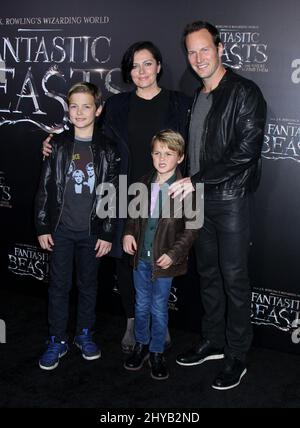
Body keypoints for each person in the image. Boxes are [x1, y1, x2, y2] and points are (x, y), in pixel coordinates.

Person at [42, 41, 191, 353]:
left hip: (162, 192)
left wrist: (188, 180)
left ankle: (157, 323)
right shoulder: (117, 105)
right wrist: (54, 140)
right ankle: (132, 320)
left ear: (159, 66)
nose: (141, 71)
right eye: (135, 66)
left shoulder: (180, 103)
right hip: (122, 191)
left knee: (161, 256)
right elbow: (89, 136)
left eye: (147, 64)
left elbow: (189, 146)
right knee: (126, 259)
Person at [169, 21, 267, 390]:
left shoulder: (244, 92)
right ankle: (213, 341)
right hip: (197, 201)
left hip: (229, 200)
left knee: (234, 278)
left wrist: (195, 180)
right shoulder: (197, 95)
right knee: (207, 274)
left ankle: (237, 354)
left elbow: (246, 152)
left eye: (204, 49)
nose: (198, 58)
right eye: (191, 52)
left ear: (220, 48)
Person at [35, 82, 120, 370]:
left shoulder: (108, 148)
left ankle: (84, 333)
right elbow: (45, 188)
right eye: (74, 106)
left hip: (91, 232)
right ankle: (57, 338)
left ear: (98, 109)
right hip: (61, 231)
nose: (80, 112)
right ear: (67, 110)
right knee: (58, 286)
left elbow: (112, 191)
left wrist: (107, 231)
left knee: (88, 285)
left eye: (86, 106)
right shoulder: (57, 144)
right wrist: (43, 226)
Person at [123, 130, 199, 380]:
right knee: (141, 304)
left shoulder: (188, 189)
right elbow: (134, 217)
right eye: (157, 153)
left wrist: (173, 254)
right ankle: (141, 345)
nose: (162, 158)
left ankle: (156, 351)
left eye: (169, 153)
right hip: (140, 259)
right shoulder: (143, 182)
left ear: (180, 157)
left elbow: (192, 229)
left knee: (158, 307)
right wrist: (128, 234)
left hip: (164, 261)